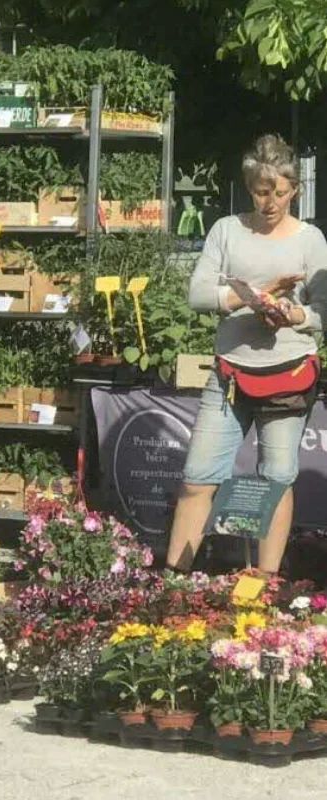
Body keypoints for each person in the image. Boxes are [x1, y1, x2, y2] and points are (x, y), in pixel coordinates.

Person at [166, 133, 327, 576]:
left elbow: (322, 311)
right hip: (230, 374)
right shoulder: (226, 229)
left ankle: (265, 587)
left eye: (279, 192)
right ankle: (174, 583)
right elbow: (198, 295)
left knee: (276, 479)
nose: (270, 201)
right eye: (261, 191)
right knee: (198, 474)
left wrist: (295, 313)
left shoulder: (311, 240)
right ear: (248, 185)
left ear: (294, 188)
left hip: (288, 376)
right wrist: (251, 296)